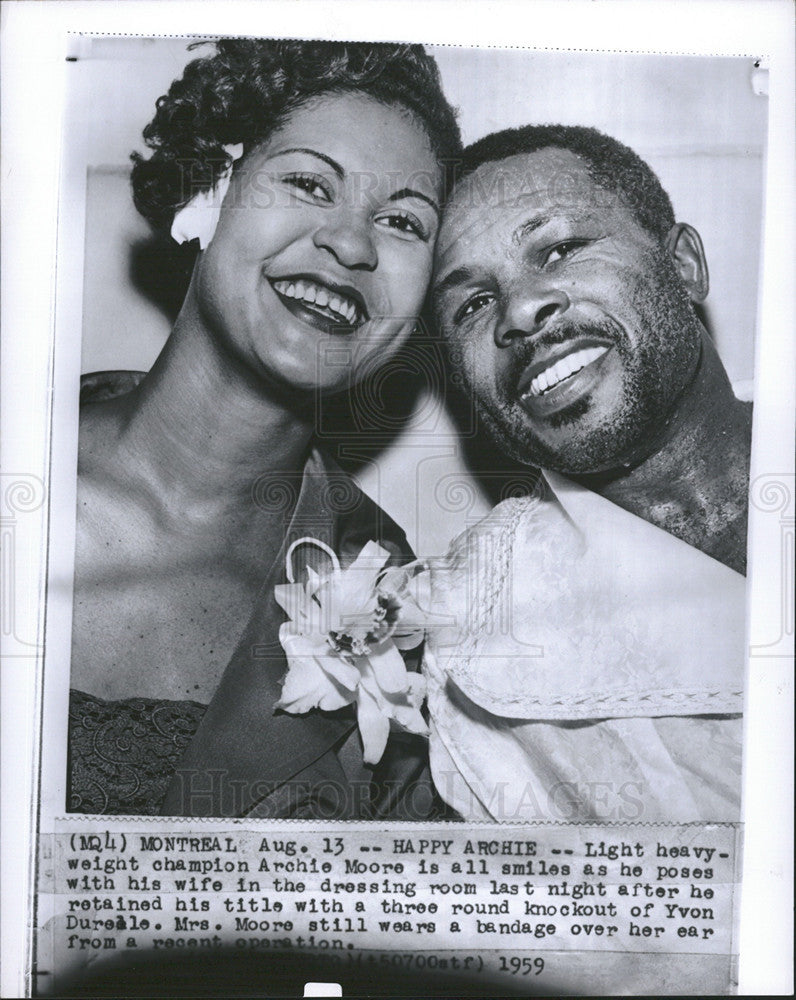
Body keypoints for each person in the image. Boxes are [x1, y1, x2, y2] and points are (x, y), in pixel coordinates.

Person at [68, 39, 461, 819]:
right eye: (310, 183)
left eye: (403, 223)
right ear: (207, 189)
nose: (352, 244)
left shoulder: (403, 609)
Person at [424, 124, 751, 823]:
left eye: (560, 249)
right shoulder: (467, 634)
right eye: (473, 304)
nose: (519, 311)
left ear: (684, 267)